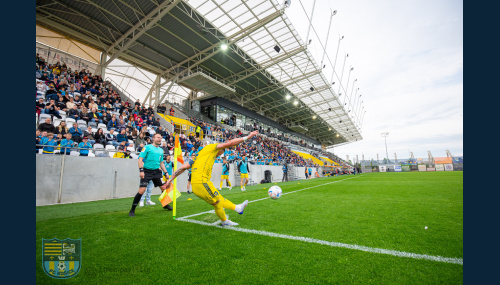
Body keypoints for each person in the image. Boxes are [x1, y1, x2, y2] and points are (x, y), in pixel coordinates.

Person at [164, 131, 258, 227]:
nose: (220, 154)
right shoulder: (212, 148)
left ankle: (232, 214)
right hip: (202, 182)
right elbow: (230, 143)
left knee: (218, 200)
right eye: (222, 151)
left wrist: (170, 179)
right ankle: (231, 215)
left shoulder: (199, 154)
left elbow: (184, 167)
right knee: (217, 201)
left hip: (198, 185)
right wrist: (248, 137)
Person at [129, 134, 172, 217]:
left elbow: (161, 163)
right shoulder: (147, 147)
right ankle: (132, 210)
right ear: (153, 138)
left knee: (163, 188)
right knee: (141, 190)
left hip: (156, 172)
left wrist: (166, 172)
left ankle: (165, 204)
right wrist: (141, 170)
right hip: (146, 172)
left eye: (160, 137)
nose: (160, 139)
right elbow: (140, 159)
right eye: (158, 137)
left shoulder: (160, 150)